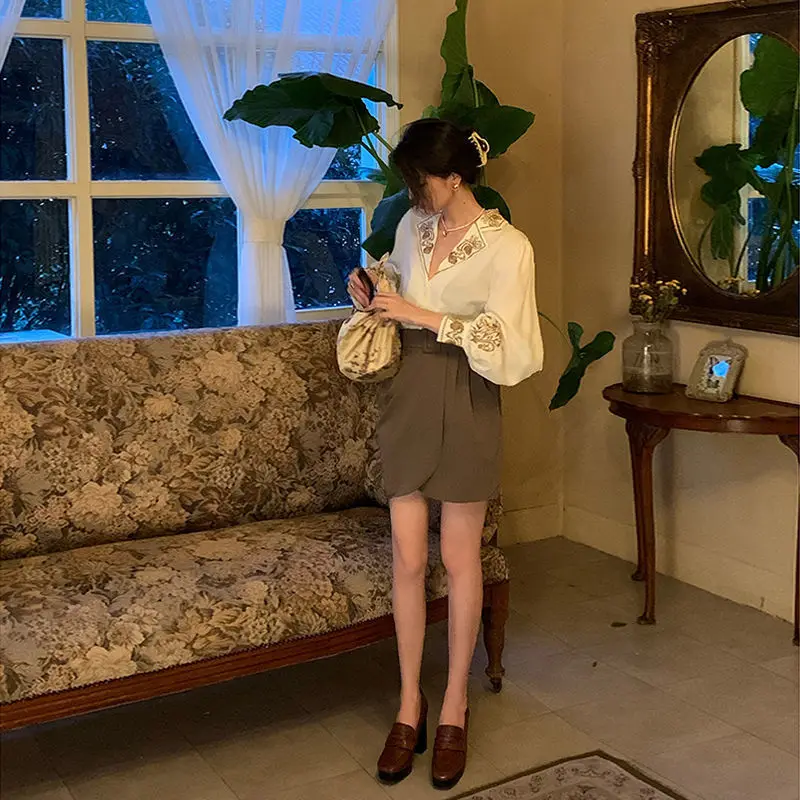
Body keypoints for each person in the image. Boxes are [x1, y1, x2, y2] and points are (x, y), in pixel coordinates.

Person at [348, 118, 544, 790]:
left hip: (468, 392)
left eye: (421, 180)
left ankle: (455, 704)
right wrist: (374, 293)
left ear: (455, 177)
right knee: (407, 558)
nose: (413, 192)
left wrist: (425, 316)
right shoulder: (413, 224)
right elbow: (397, 285)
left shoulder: (509, 246)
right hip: (408, 391)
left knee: (461, 560)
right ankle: (410, 704)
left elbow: (515, 345)